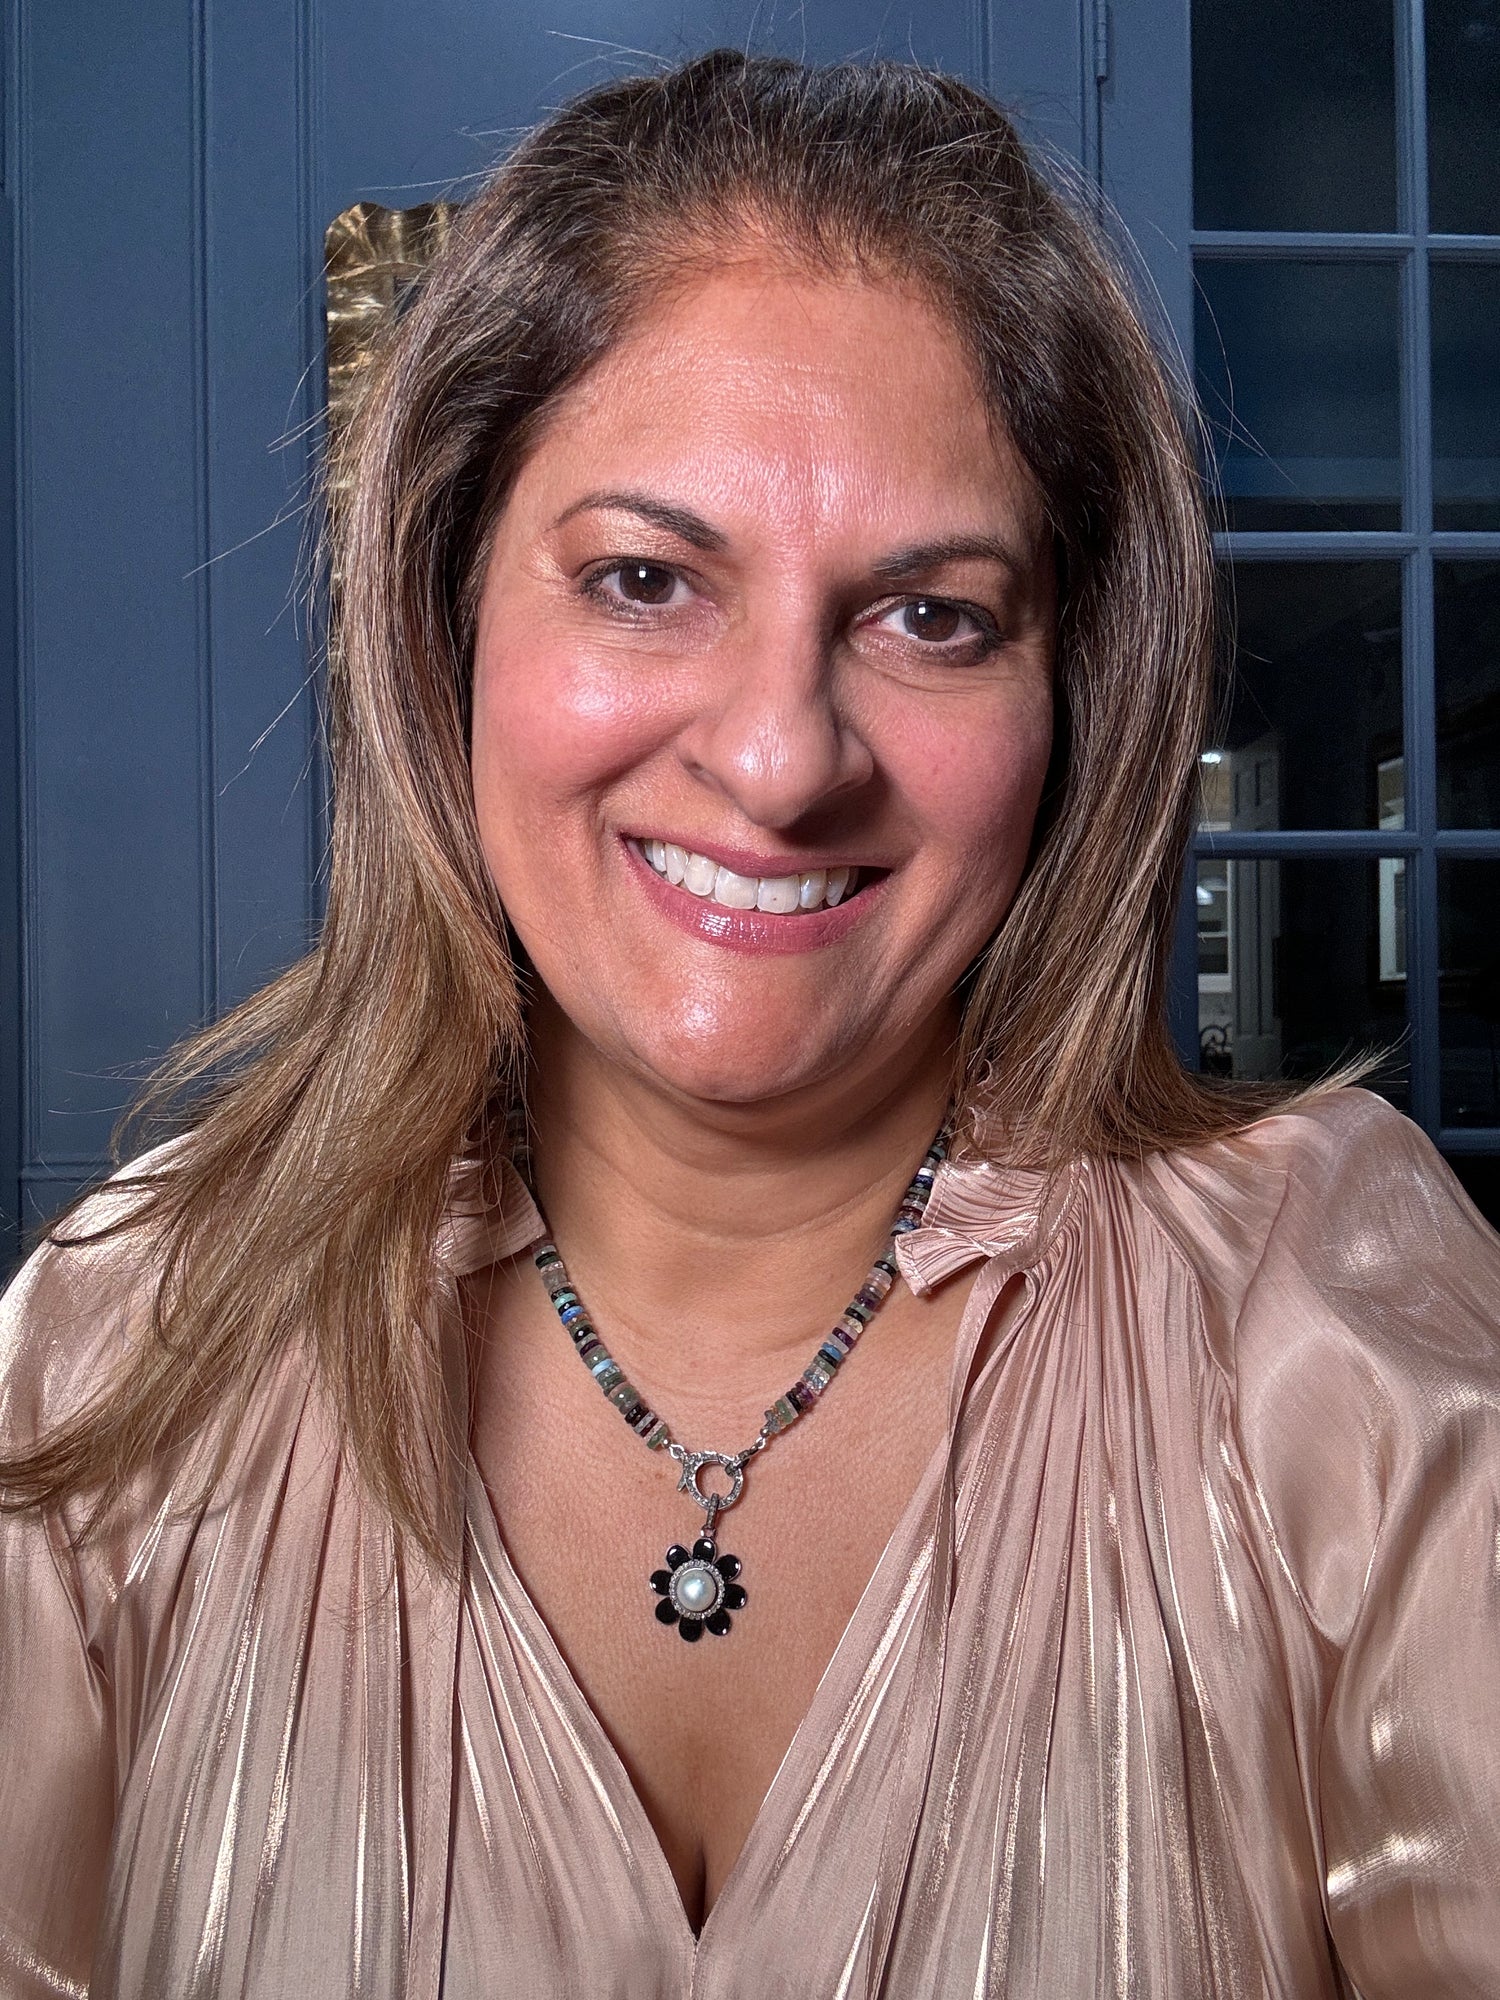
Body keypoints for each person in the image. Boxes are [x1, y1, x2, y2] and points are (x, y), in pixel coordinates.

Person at [2, 48, 1497, 2000]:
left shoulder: (1327, 1331)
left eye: (932, 616)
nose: (783, 758)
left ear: (1077, 699)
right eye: (644, 579)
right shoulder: (119, 1353)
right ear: (445, 622)